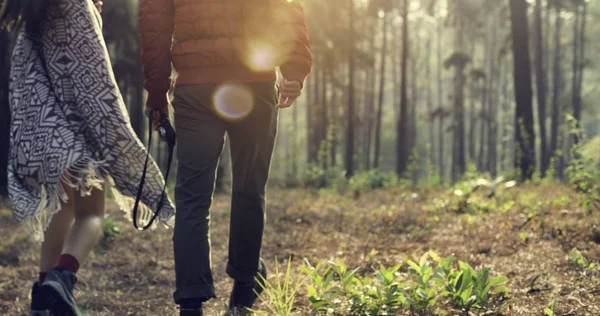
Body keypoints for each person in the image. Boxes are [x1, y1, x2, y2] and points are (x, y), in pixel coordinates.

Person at [1, 0, 175, 315]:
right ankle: (61, 277)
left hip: (45, 136)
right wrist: (116, 143)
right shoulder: (76, 8)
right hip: (76, 135)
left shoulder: (30, 12)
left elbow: (23, 83)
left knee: (63, 210)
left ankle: (43, 299)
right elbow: (97, 82)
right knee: (91, 216)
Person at [139, 0, 312, 315]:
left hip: (196, 88)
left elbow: (155, 21)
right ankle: (245, 286)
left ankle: (191, 301)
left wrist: (156, 90)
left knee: (192, 197)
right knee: (249, 187)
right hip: (255, 83)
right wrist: (294, 68)